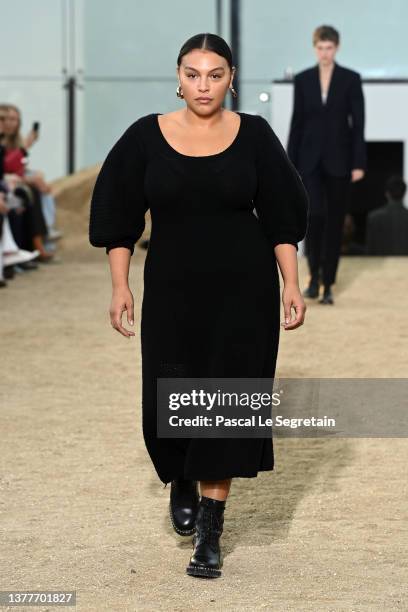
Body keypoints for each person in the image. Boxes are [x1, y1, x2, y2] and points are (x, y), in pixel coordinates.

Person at [89, 32, 309, 579]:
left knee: (227, 403)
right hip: (171, 291)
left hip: (243, 292)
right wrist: (120, 286)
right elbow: (118, 216)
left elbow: (282, 215)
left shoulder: (255, 136)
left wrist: (292, 283)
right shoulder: (146, 136)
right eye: (193, 74)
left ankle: (210, 533)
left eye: (215, 74)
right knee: (171, 396)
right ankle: (181, 474)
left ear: (231, 78)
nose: (203, 85)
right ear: (179, 77)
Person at [287, 25, 366, 305]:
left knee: (334, 222)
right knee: (314, 217)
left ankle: (328, 284)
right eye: (320, 47)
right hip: (309, 161)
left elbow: (358, 125)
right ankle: (314, 277)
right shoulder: (304, 79)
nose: (325, 53)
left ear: (337, 48)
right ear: (314, 48)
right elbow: (297, 122)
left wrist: (359, 162)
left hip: (340, 161)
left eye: (329, 48)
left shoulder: (350, 79)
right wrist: (290, 162)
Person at [365, 175, 408, 255]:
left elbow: (370, 250)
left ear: (387, 193)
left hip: (381, 266)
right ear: (404, 193)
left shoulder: (374, 218)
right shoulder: (374, 217)